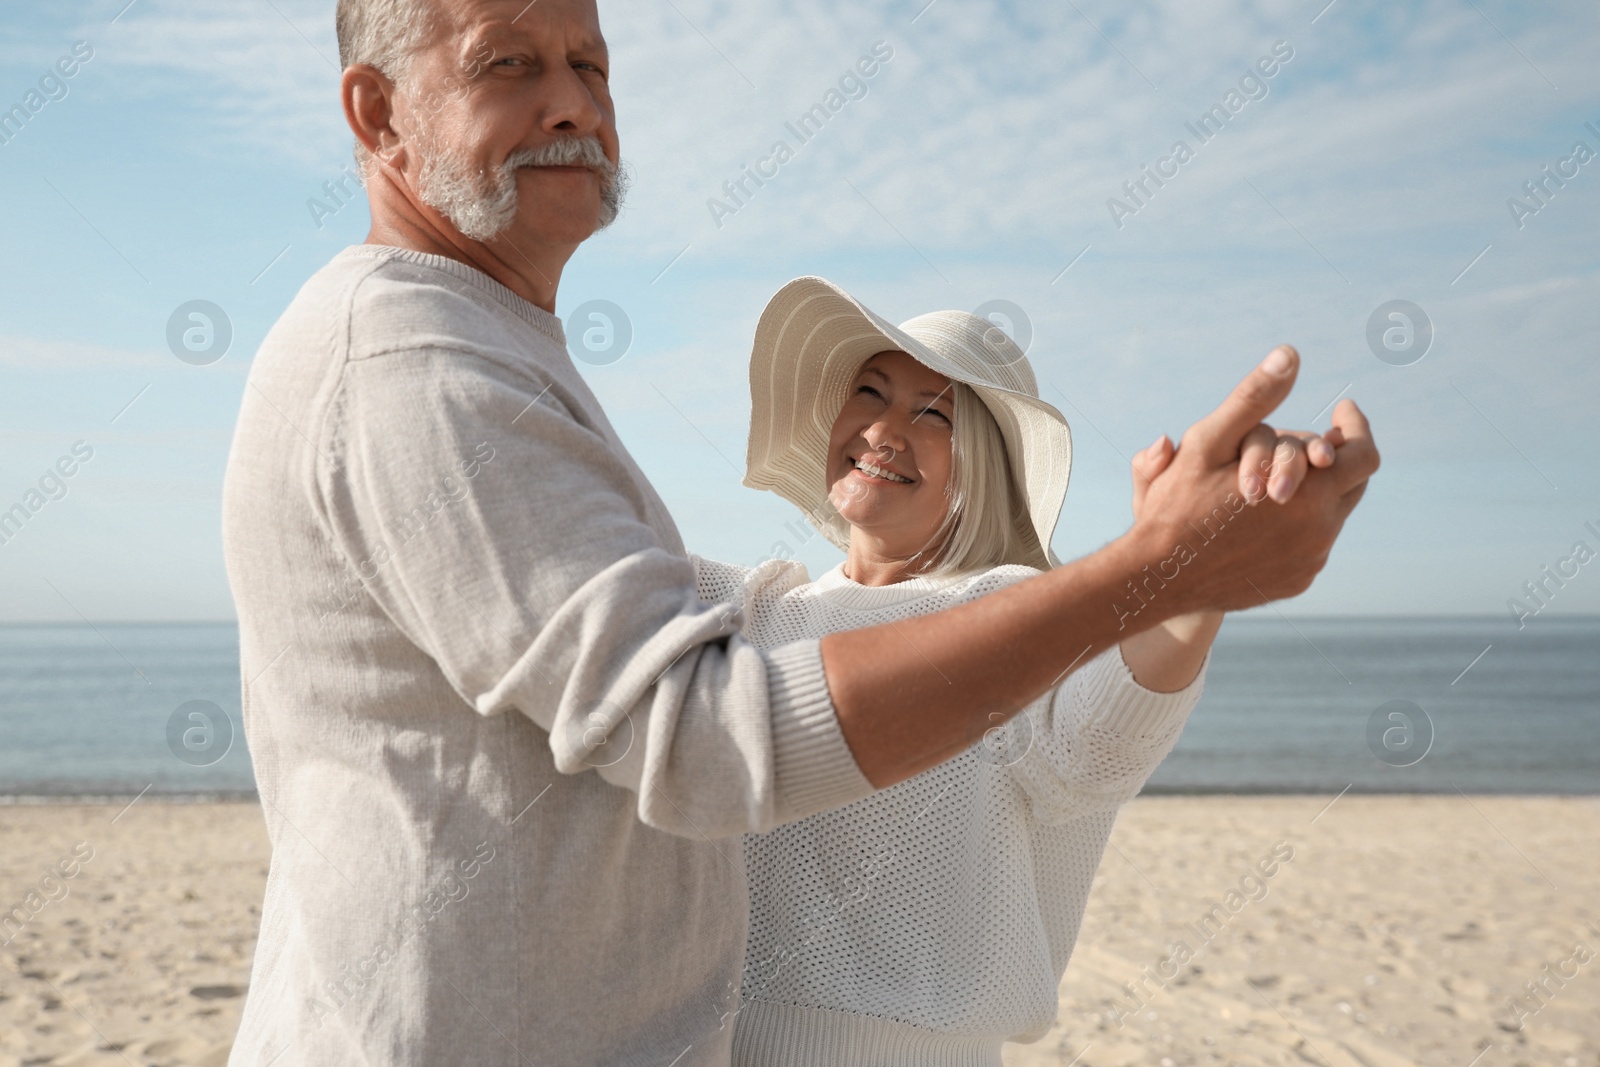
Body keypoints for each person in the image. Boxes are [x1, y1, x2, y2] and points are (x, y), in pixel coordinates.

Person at [219, 0, 1379, 1063]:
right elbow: (701, 731)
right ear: (377, 114)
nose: (572, 102)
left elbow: (1106, 718)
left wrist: (1192, 573)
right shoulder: (440, 374)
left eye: (590, 64)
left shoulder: (995, 607)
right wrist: (1156, 565)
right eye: (508, 64)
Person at [700, 277, 1220, 1064]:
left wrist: (1188, 581)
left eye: (931, 411)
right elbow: (602, 574)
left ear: (978, 464)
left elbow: (1098, 744)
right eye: (868, 392)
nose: (883, 427)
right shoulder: (764, 609)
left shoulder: (1006, 609)